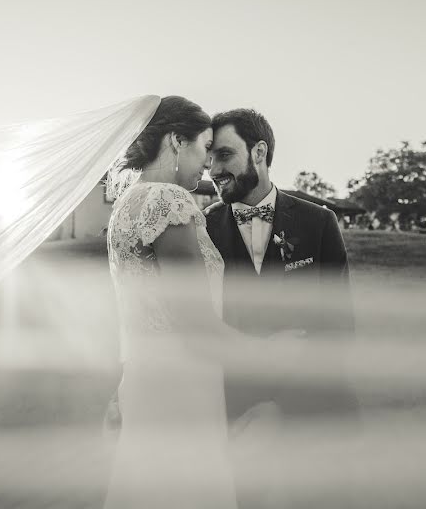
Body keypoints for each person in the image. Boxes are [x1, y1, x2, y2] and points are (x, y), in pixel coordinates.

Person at [103, 97, 304, 509]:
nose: (208, 165)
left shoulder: (127, 203)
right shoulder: (169, 201)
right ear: (177, 141)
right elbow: (196, 324)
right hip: (183, 385)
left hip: (144, 377)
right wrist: (269, 353)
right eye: (203, 147)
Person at [206, 109, 358, 507]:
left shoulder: (319, 222)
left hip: (314, 416)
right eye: (208, 156)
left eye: (223, 155)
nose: (212, 169)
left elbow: (339, 325)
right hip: (234, 418)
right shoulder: (200, 229)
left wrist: (280, 407)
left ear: (259, 151)